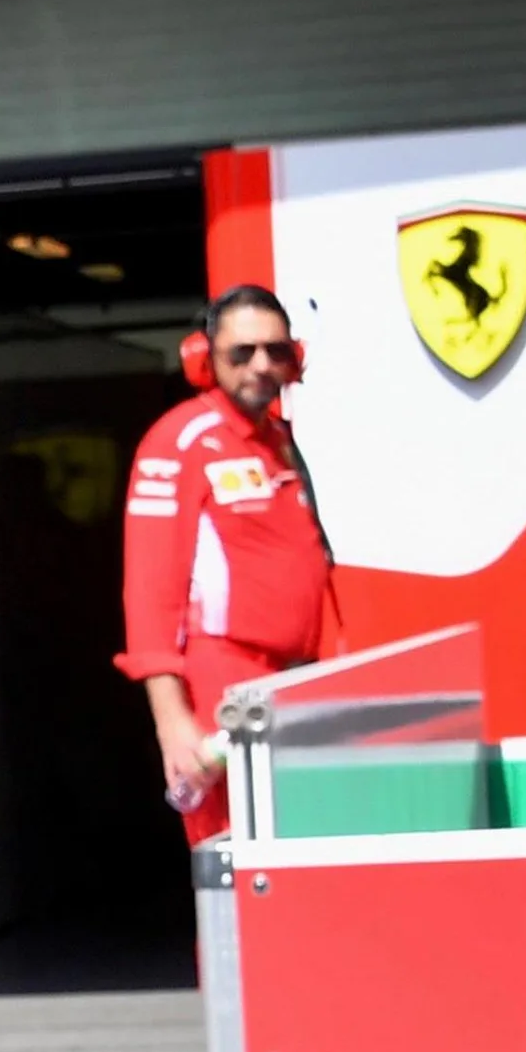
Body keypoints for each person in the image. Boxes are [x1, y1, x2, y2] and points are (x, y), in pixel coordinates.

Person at [118, 283, 332, 842]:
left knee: (296, 856)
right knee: (234, 861)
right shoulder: (178, 440)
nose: (261, 365)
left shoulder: (279, 440)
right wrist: (171, 721)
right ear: (203, 359)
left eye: (275, 350)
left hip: (291, 681)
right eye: (242, 352)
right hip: (221, 684)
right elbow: (149, 590)